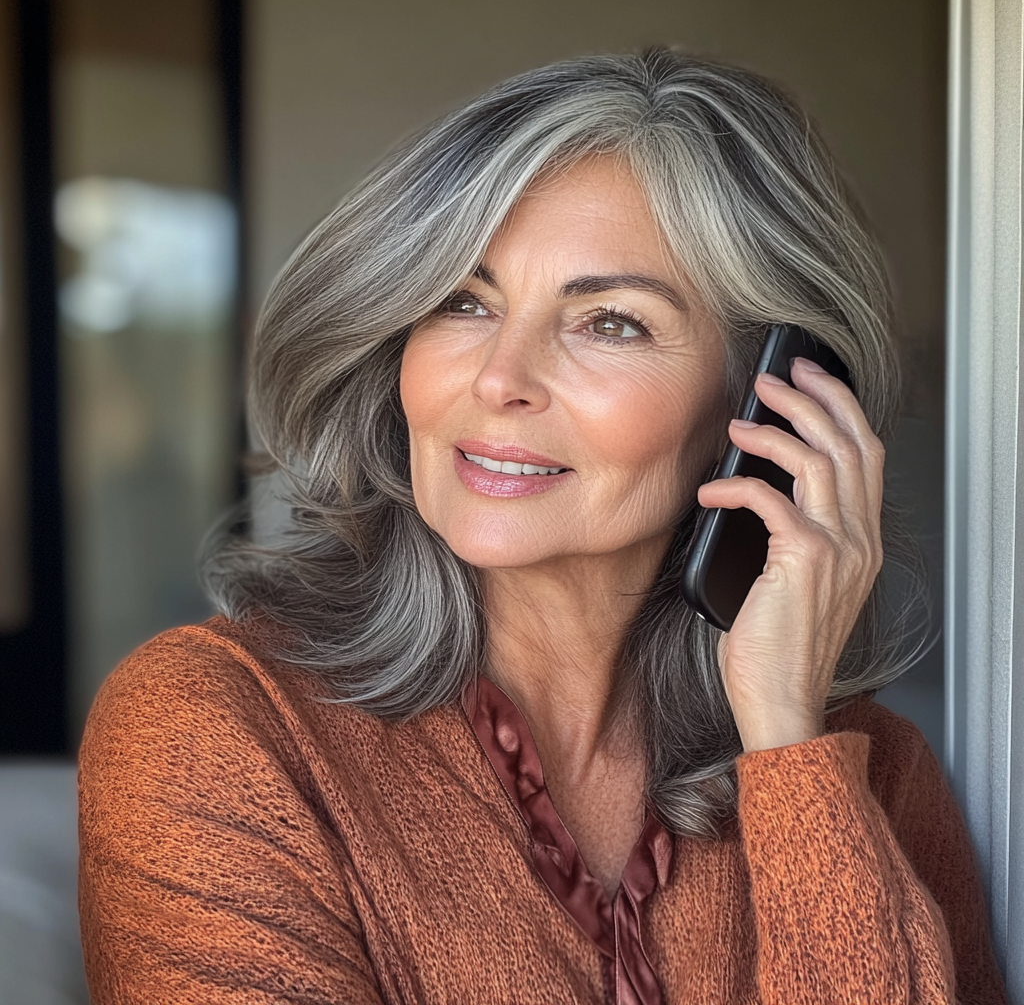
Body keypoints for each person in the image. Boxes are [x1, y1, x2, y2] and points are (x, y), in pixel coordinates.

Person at [78, 49, 1007, 1004]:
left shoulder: (865, 775)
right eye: (463, 301)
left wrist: (787, 747)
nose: (497, 377)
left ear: (774, 408)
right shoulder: (218, 724)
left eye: (610, 322)